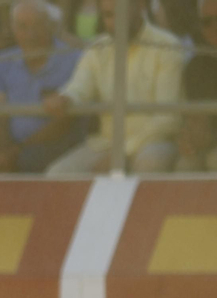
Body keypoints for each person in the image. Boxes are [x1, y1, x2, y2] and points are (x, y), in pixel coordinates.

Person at [43, 0, 184, 174]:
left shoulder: (167, 45)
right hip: (106, 143)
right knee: (57, 173)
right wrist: (65, 98)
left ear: (140, 6)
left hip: (154, 142)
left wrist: (122, 153)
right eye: (109, 15)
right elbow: (79, 86)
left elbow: (168, 118)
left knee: (150, 162)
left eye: (121, 13)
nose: (116, 21)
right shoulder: (97, 48)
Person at [0, 0, 84, 173]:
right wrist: (3, 152)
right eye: (22, 26)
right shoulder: (1, 62)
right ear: (13, 29)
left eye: (38, 25)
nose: (31, 34)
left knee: (28, 160)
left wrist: (15, 151)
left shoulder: (74, 59)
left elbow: (64, 122)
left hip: (56, 144)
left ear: (51, 27)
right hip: (10, 147)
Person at [176, 0, 217, 171]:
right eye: (207, 22)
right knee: (186, 164)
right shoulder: (195, 67)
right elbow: (195, 119)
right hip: (211, 142)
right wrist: (190, 138)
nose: (214, 27)